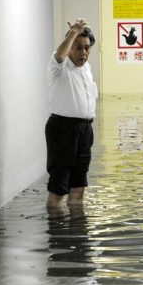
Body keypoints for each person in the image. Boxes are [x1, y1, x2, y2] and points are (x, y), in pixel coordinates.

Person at [45, 18, 98, 209]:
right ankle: (57, 235)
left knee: (78, 187)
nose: (83, 53)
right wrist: (73, 33)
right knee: (59, 188)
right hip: (62, 129)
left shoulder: (87, 69)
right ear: (69, 48)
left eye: (86, 48)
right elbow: (59, 55)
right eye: (78, 48)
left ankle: (77, 234)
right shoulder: (59, 66)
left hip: (84, 130)